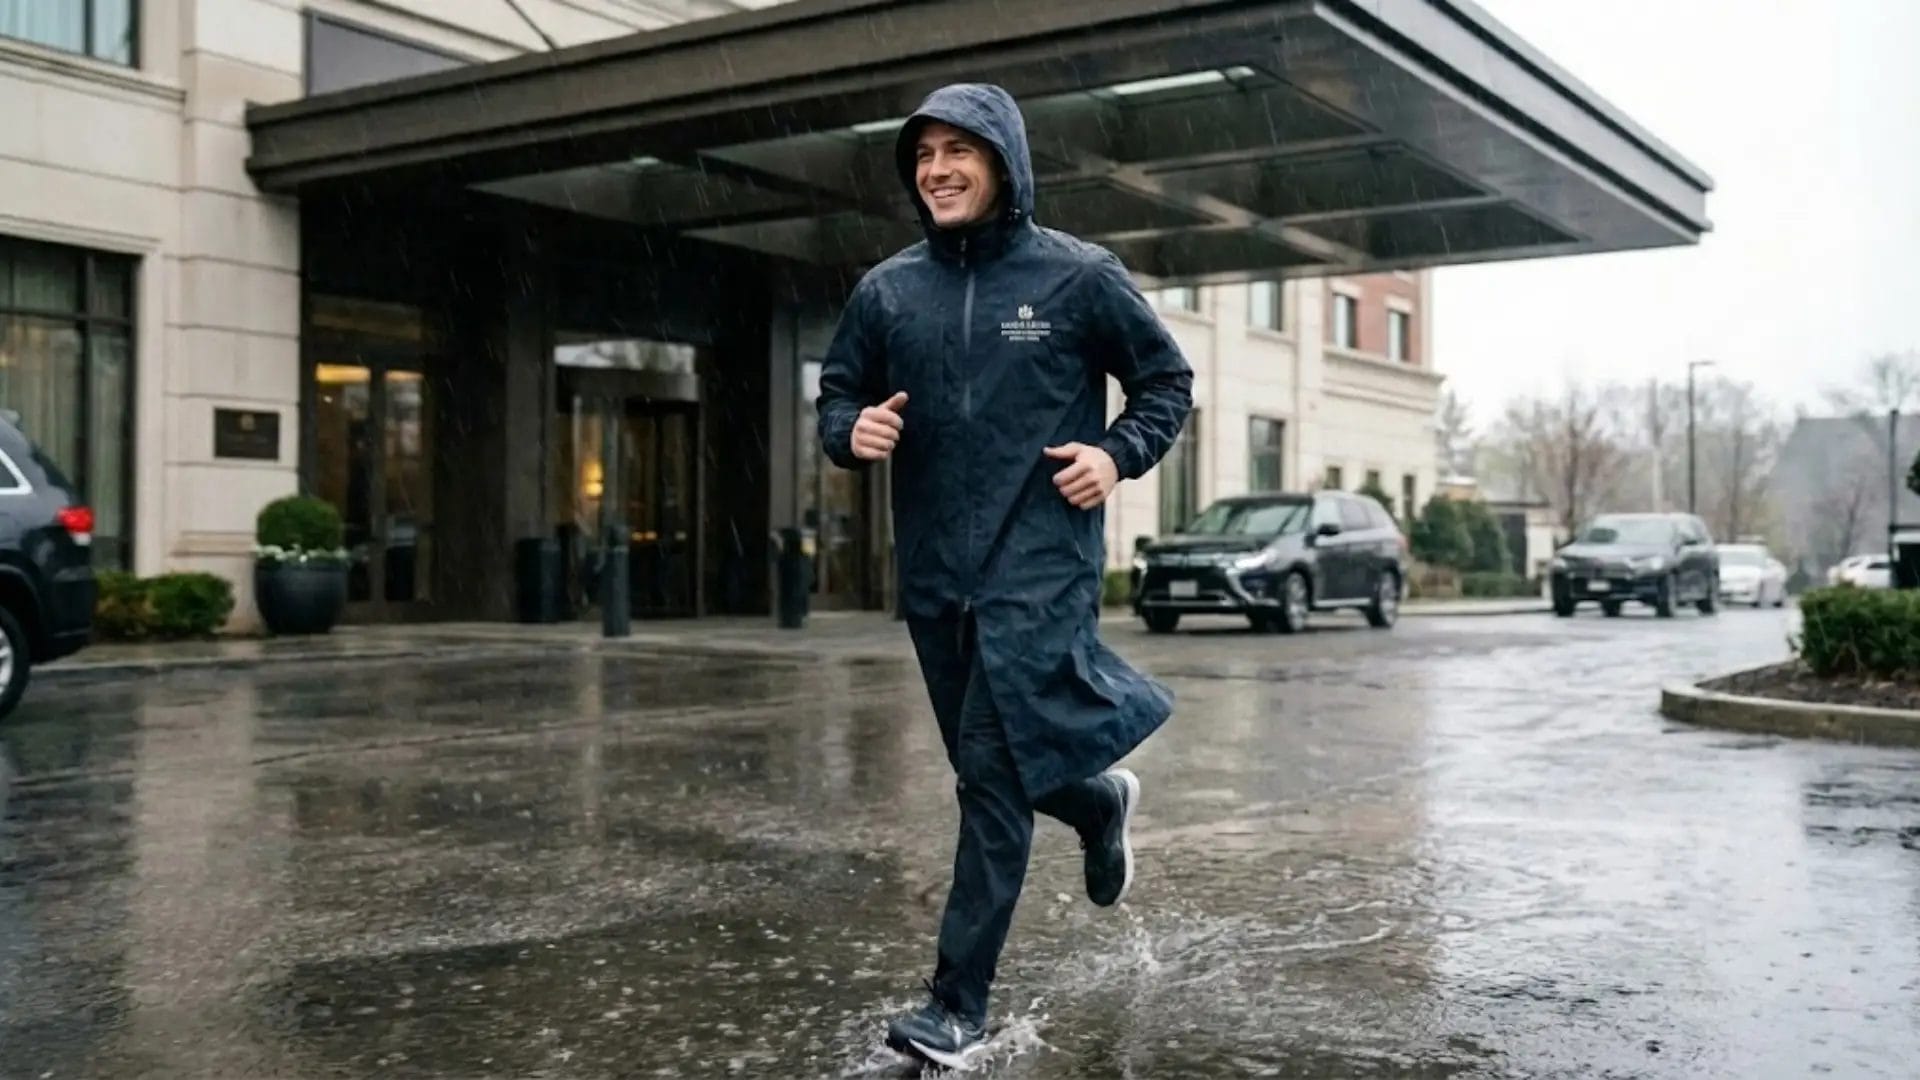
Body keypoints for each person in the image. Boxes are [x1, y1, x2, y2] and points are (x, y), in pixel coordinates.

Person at [816, 83, 1194, 1069]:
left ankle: (955, 1006)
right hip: (936, 571)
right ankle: (1096, 799)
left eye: (959, 150)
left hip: (1042, 565)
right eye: (924, 153)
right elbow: (838, 392)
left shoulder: (1079, 278)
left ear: (1003, 162)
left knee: (988, 779)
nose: (937, 167)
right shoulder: (889, 290)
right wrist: (849, 435)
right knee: (988, 766)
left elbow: (1167, 383)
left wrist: (1117, 454)